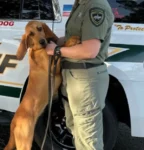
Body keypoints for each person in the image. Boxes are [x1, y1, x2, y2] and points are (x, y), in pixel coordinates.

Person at [46, 0, 114, 149]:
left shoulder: (95, 6)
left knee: (88, 139)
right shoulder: (81, 3)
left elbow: (89, 51)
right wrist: (55, 41)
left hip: (86, 78)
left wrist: (56, 50)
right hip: (75, 77)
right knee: (76, 131)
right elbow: (76, 35)